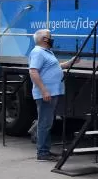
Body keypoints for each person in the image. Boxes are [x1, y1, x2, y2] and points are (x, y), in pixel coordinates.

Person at [27, 29, 75, 162]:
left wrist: (70, 63)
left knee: (47, 122)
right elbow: (33, 72)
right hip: (46, 94)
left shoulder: (46, 52)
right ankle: (42, 153)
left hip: (52, 92)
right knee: (44, 123)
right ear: (44, 39)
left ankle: (45, 150)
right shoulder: (38, 52)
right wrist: (44, 91)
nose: (51, 38)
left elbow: (55, 67)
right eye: (49, 36)